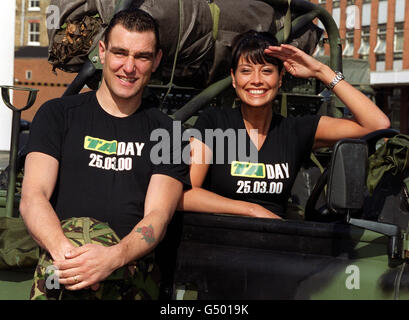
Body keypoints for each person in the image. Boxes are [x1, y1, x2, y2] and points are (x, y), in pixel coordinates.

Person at [19, 8, 189, 298]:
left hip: (129, 279)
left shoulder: (169, 134)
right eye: (120, 52)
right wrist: (69, 257)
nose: (129, 67)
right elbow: (33, 196)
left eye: (142, 56)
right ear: (103, 51)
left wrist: (112, 259)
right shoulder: (58, 115)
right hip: (61, 274)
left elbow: (158, 216)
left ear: (156, 60)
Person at [178, 30, 390, 219]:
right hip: (216, 244)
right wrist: (251, 210)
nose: (256, 80)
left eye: (267, 71)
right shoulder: (214, 123)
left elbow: (377, 124)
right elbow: (186, 194)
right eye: (246, 71)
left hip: (276, 247)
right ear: (234, 79)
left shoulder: (296, 130)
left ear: (280, 79)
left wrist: (321, 71)